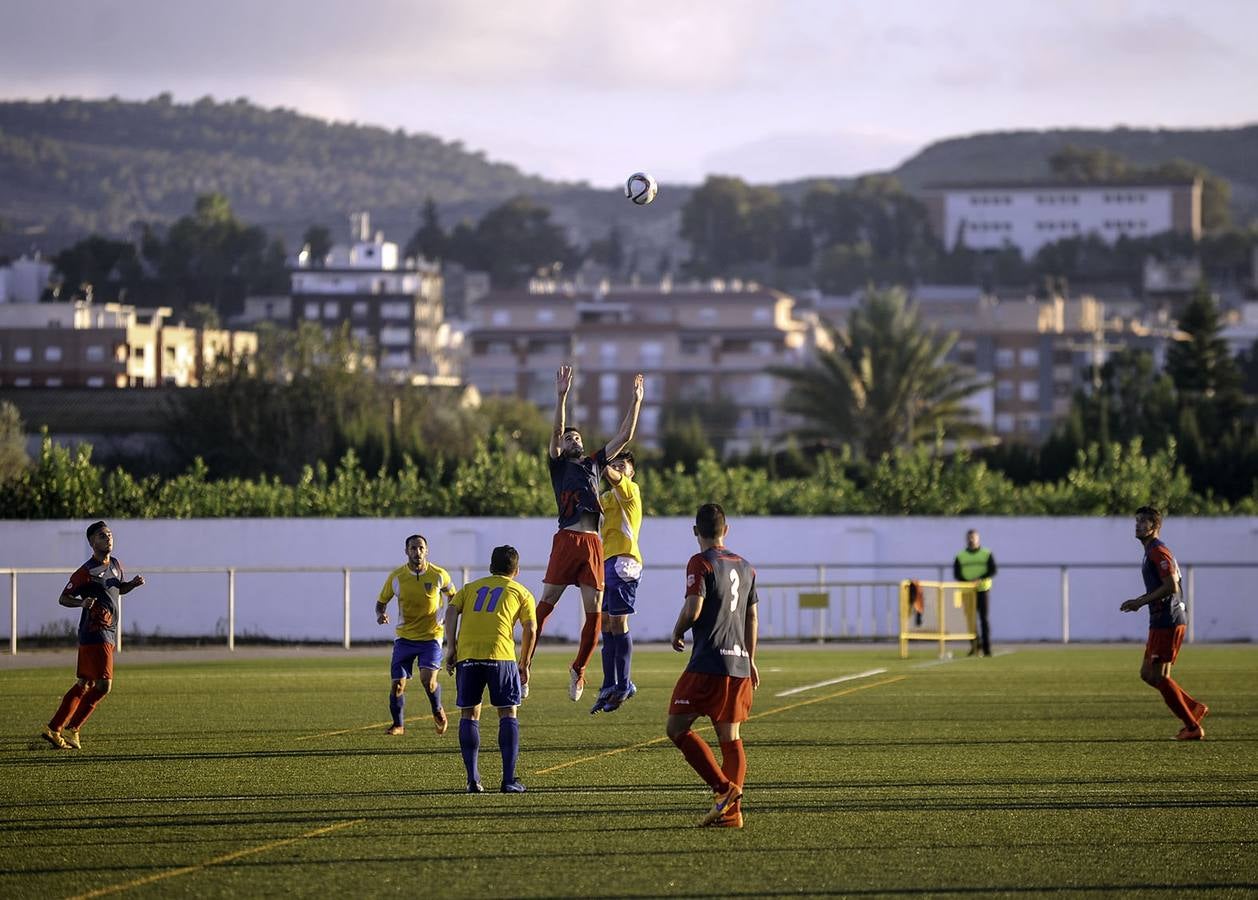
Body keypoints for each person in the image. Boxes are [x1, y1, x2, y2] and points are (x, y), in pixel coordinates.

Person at [533, 364, 644, 702]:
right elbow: (554, 435)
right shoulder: (559, 465)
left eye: (577, 437)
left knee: (596, 615)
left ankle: (579, 669)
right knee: (546, 603)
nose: (574, 439)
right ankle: (523, 663)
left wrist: (636, 401)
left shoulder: (594, 464)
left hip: (593, 543)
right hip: (567, 538)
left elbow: (624, 436)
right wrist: (561, 396)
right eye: (570, 438)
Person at [665, 503, 759, 829]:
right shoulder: (747, 567)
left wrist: (677, 630)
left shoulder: (701, 562)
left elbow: (693, 608)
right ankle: (731, 815)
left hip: (708, 662)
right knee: (730, 737)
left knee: (676, 728)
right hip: (739, 663)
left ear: (696, 531)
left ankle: (722, 790)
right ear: (726, 529)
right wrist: (751, 658)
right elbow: (751, 615)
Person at [40, 521, 145, 750]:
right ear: (92, 542)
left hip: (105, 632)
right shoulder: (85, 572)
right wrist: (82, 603)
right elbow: (63, 598)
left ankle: (56, 728)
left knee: (85, 682)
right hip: (96, 632)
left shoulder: (116, 564)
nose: (108, 538)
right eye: (102, 535)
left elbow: (118, 588)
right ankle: (72, 728)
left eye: (109, 534)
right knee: (104, 685)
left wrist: (132, 585)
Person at [444, 545, 537, 793]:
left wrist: (450, 647)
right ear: (516, 570)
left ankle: (473, 781)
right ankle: (508, 780)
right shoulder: (521, 592)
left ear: (490, 567)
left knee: (469, 715)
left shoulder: (470, 588)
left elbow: (451, 609)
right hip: (501, 657)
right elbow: (530, 629)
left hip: (469, 655)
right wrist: (525, 663)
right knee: (508, 714)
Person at [1120, 506, 1209, 740]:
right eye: (1136, 520)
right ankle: (1192, 707)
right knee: (1148, 674)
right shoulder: (1150, 550)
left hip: (1168, 619)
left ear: (1155, 526)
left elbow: (1172, 586)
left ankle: (1192, 726)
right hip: (1161, 619)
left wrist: (1139, 601)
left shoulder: (1158, 551)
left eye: (1143, 521)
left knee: (1159, 676)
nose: (1138, 525)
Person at [376, 534, 457, 737]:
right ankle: (398, 725)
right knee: (397, 685)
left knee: (428, 680)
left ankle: (437, 709)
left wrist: (449, 614)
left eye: (421, 548)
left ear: (426, 550)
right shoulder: (396, 577)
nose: (417, 552)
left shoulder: (439, 574)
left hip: (431, 637)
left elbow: (453, 596)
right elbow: (381, 602)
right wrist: (381, 614)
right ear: (406, 551)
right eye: (413, 548)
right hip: (404, 638)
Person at [591, 450, 643, 715]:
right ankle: (610, 682)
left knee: (619, 622)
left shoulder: (628, 490)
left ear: (631, 472)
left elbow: (610, 475)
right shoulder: (606, 498)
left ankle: (624, 684)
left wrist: (600, 460)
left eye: (624, 465)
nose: (619, 468)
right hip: (605, 561)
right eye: (616, 464)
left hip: (624, 561)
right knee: (607, 624)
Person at [954, 529, 997, 656]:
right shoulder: (961, 555)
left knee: (983, 619)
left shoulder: (986, 553)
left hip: (982, 590)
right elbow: (957, 573)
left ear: (978, 539)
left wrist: (980, 578)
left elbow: (992, 570)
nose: (971, 540)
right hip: (967, 591)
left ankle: (987, 648)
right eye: (969, 538)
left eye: (973, 537)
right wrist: (968, 581)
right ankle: (974, 646)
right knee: (970, 620)